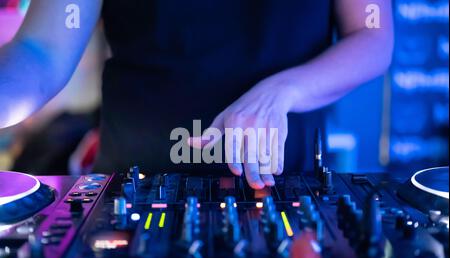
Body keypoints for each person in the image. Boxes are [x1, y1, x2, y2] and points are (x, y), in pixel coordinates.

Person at [0, 0, 393, 189]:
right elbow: (42, 52)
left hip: (281, 182)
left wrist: (282, 91)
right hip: (134, 181)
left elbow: (372, 33)